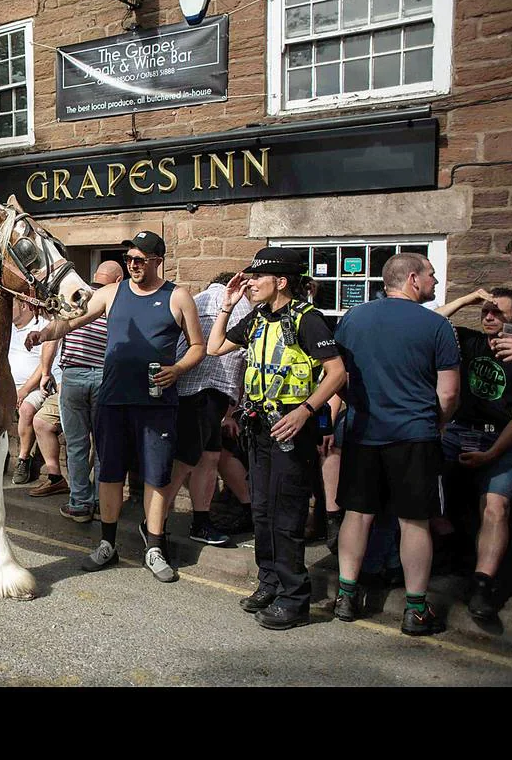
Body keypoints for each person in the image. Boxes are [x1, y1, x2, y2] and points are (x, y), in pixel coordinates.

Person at [28, 231, 205, 584]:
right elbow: (74, 319)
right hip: (113, 400)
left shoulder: (178, 297)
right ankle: (106, 544)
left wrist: (178, 369)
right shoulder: (111, 293)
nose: (134, 266)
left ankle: (155, 547)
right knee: (110, 474)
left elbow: (198, 346)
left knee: (157, 476)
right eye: (129, 260)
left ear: (158, 260)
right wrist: (45, 333)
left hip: (156, 404)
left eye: (140, 260)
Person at [207, 249, 345, 630]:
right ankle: (269, 583)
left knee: (286, 515)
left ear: (281, 282)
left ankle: (295, 598)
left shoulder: (307, 319)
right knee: (263, 512)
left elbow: (336, 372)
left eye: (257, 278)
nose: (249, 282)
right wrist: (227, 305)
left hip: (290, 427)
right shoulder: (256, 319)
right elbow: (216, 347)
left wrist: (306, 411)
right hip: (258, 428)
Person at [331, 253, 460, 636]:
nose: (436, 284)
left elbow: (340, 377)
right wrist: (435, 424)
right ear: (413, 279)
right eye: (432, 277)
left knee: (356, 515)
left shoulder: (353, 319)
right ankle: (416, 610)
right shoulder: (437, 325)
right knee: (415, 521)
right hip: (414, 435)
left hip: (363, 432)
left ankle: (346, 597)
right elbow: (449, 393)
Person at [435, 286, 512, 620]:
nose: (488, 317)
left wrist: (490, 455)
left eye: (497, 312)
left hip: (503, 438)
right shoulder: (468, 341)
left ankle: (483, 585)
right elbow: (425, 321)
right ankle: (446, 546)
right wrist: (467, 299)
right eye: (485, 310)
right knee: (417, 475)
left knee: (496, 505)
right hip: (458, 432)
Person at [166, 271, 254, 547]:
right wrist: (232, 410)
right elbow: (241, 358)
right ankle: (156, 524)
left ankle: (199, 522)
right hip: (206, 392)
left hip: (193, 390)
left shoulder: (197, 298)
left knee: (208, 459)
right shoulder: (242, 305)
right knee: (185, 462)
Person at [54, 260, 124, 523]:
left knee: (76, 444)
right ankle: (101, 501)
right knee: (104, 444)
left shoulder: (75, 299)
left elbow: (56, 335)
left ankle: (80, 504)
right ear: (117, 281)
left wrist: (47, 370)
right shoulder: (116, 304)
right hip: (105, 377)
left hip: (73, 375)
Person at [8, 298, 54, 484]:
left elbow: (44, 366)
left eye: (11, 305)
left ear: (25, 306)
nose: (7, 309)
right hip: (8, 385)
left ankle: (23, 459)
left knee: (26, 409)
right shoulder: (8, 327)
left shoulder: (43, 328)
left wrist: (24, 390)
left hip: (34, 387)